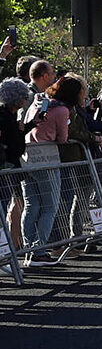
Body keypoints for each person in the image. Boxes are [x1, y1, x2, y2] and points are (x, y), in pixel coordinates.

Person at [21, 73, 72, 265]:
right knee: (50, 207)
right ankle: (39, 251)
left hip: (27, 158)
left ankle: (30, 250)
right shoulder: (61, 110)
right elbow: (63, 138)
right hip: (47, 160)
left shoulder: (37, 101)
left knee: (31, 205)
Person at [0, 77, 32, 254]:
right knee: (4, 207)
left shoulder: (9, 115)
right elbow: (15, 144)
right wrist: (21, 131)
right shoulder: (5, 117)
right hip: (6, 167)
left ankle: (8, 249)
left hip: (10, 166)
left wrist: (29, 126)